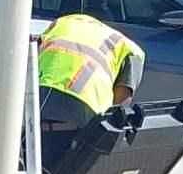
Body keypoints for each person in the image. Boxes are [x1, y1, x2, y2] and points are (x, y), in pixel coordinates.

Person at [34, 11, 144, 160]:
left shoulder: (63, 22)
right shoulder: (131, 49)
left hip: (40, 87)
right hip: (86, 100)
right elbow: (120, 102)